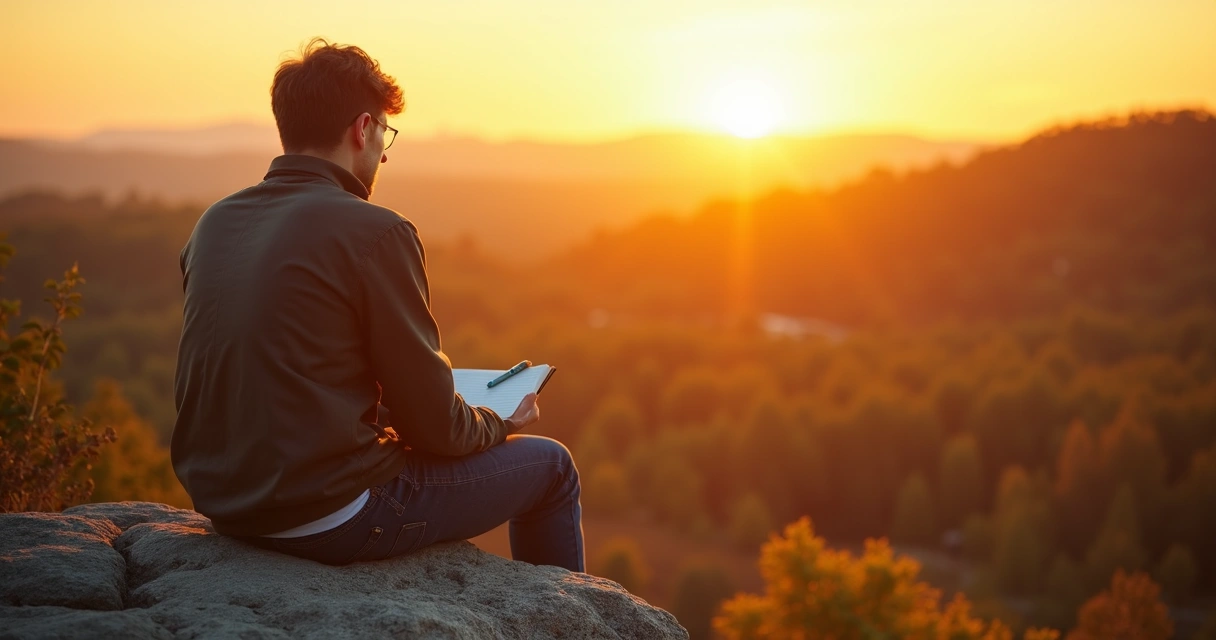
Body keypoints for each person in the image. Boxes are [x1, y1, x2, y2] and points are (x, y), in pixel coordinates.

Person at [171, 38, 584, 571]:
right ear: (362, 129)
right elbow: (435, 428)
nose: (385, 152)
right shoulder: (376, 231)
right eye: (385, 133)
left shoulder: (213, 224)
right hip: (329, 513)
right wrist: (497, 419)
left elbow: (277, 373)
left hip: (227, 505)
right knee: (552, 465)